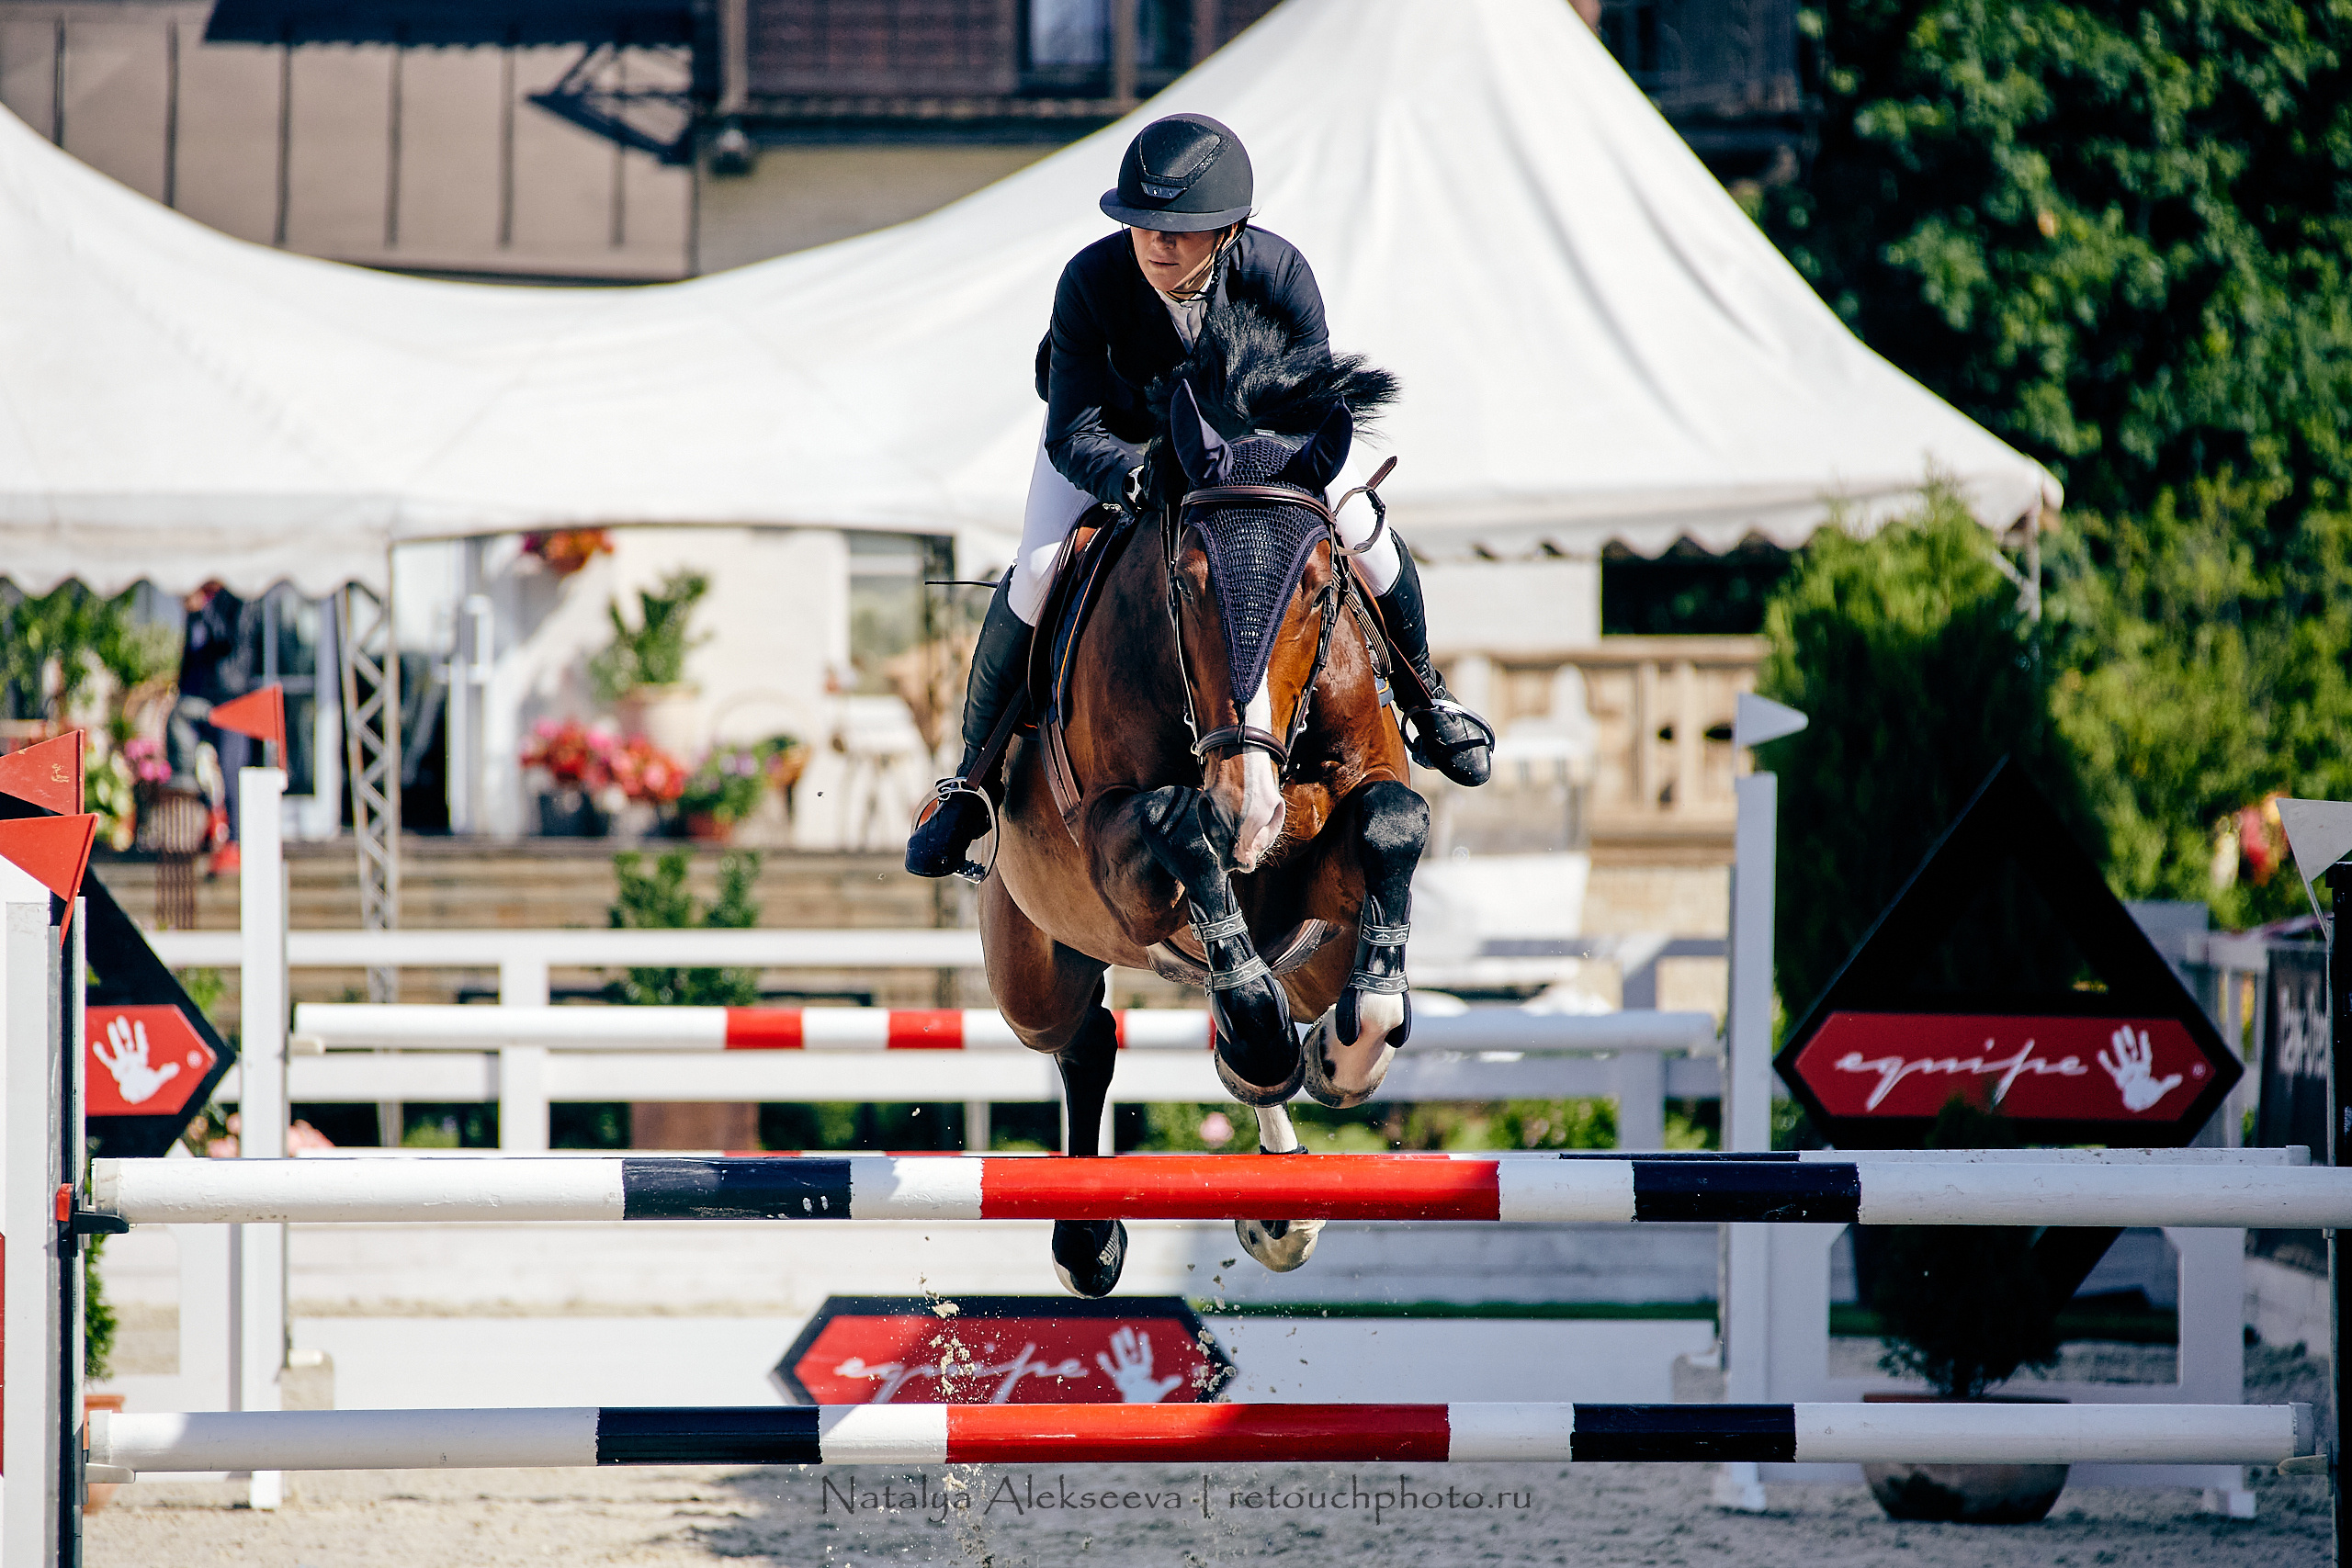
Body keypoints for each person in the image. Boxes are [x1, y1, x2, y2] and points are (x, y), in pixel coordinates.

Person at [907, 114, 1493, 879]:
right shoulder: (1089, 282)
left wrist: (1261, 469)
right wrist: (1134, 475)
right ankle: (971, 782)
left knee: (1363, 527)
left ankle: (1427, 698)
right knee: (1041, 565)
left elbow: (1303, 405)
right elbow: (1071, 430)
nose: (1156, 243)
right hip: (1112, 449)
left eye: (1179, 230)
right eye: (1143, 225)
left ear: (1231, 229)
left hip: (1253, 458)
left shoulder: (1280, 275)